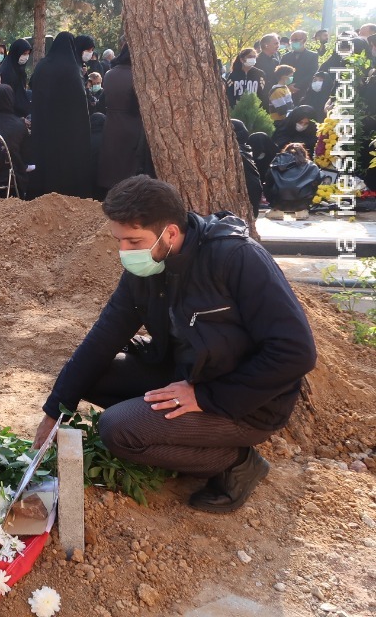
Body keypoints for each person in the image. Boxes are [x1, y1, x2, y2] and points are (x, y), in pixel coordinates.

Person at [32, 175, 317, 513]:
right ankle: (177, 433)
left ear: (169, 233)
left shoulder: (236, 258)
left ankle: (236, 462)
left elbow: (296, 352)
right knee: (93, 373)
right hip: (187, 370)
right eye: (119, 241)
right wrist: (54, 413)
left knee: (118, 429)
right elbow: (103, 337)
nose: (124, 252)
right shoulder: (147, 268)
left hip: (247, 402)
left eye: (133, 241)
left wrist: (204, 396)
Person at [27, 32, 93, 199]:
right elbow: (80, 103)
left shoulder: (42, 66)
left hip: (44, 127)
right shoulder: (72, 69)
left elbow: (33, 88)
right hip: (66, 132)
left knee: (46, 165)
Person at [97, 45, 153, 196]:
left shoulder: (110, 74)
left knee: (112, 165)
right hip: (133, 125)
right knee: (129, 166)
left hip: (112, 125)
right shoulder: (138, 76)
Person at [263, 142, 321, 220]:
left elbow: (268, 179)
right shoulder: (311, 165)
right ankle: (302, 211)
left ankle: (276, 210)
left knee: (267, 184)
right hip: (302, 201)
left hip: (278, 200)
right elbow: (318, 180)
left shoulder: (277, 162)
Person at [281, 30, 318, 103]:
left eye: (296, 40)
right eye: (292, 40)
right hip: (286, 92)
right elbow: (280, 73)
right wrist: (288, 86)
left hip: (304, 92)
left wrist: (297, 86)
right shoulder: (286, 56)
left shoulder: (312, 56)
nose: (293, 42)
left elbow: (312, 73)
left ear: (304, 40)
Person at [0, 38, 32, 117]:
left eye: (28, 54)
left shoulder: (19, 68)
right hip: (9, 114)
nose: (26, 57)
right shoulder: (6, 71)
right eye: (24, 53)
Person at [254, 34, 280, 108]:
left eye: (278, 43)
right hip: (260, 99)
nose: (278, 46)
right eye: (275, 43)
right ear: (266, 45)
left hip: (274, 98)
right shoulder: (256, 61)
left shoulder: (275, 62)